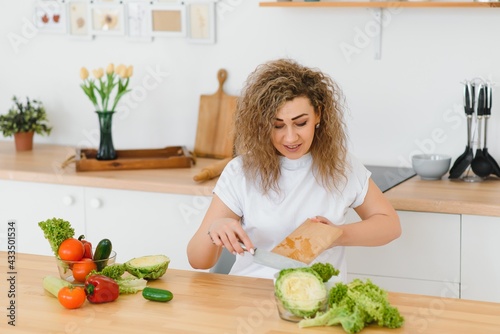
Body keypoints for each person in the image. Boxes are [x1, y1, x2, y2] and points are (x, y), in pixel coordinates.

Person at [187, 59, 401, 280]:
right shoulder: (241, 171)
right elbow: (197, 260)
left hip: (320, 299)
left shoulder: (342, 166)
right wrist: (215, 230)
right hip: (250, 294)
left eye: (300, 123)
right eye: (277, 125)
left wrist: (334, 236)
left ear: (318, 115)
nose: (290, 137)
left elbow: (390, 225)